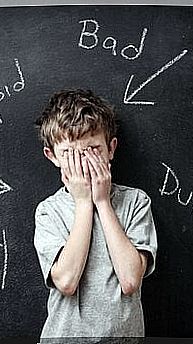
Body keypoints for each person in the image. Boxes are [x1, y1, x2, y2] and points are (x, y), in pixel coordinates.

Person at [33, 89, 158, 343]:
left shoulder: (136, 202)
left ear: (111, 148)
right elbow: (66, 282)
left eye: (91, 150)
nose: (82, 163)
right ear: (52, 156)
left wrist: (102, 201)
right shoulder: (49, 211)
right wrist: (82, 203)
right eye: (69, 153)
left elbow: (130, 280)